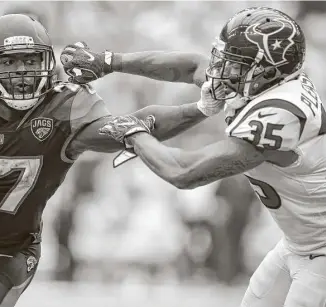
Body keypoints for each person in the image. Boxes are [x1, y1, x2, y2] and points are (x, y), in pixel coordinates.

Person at [0, 14, 224, 307]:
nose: (21, 73)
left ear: (47, 62)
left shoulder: (65, 109)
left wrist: (198, 110)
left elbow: (135, 125)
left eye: (30, 60)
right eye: (8, 62)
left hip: (7, 250)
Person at [61, 6, 326, 307]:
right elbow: (192, 66)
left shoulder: (279, 114)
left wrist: (134, 134)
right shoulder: (262, 83)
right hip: (299, 244)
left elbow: (185, 172)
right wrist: (110, 62)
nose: (221, 70)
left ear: (267, 69)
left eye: (236, 64)